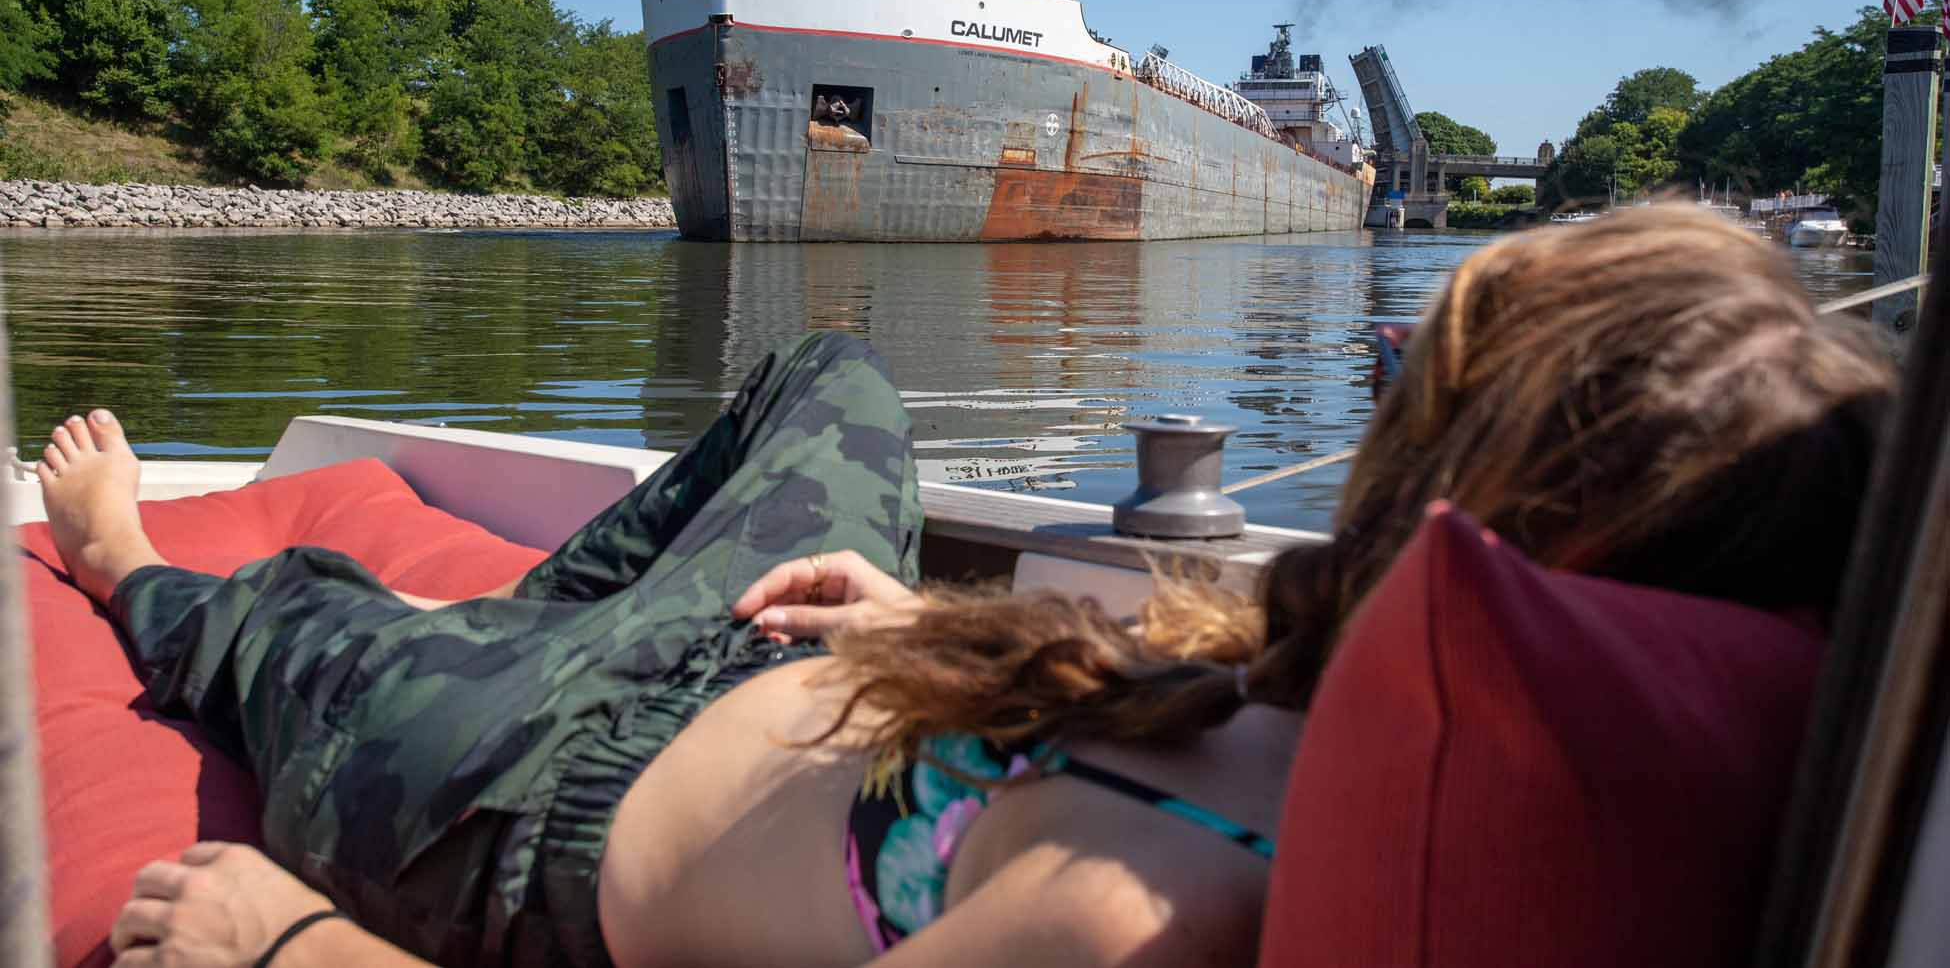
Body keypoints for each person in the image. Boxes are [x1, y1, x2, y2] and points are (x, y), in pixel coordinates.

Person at [37, 205, 1893, 968]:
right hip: (744, 664)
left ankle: (124, 564)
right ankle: (552, 607)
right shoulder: (1330, 690)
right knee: (828, 374)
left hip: (516, 800)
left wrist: (292, 946)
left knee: (315, 614)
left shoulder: (1137, 913)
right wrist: (935, 633)